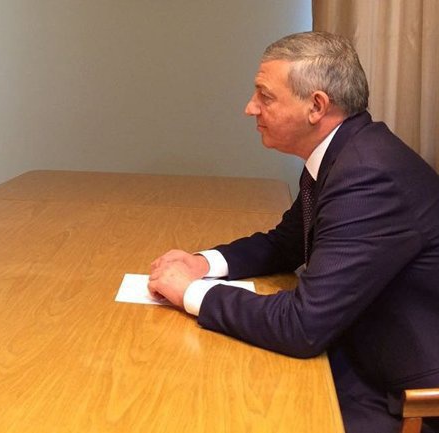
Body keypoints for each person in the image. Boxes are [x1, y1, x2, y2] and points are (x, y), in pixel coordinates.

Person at [147, 32, 439, 433]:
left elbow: (302, 326)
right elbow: (287, 243)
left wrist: (190, 293)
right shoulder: (345, 153)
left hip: (398, 393)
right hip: (354, 347)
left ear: (316, 106)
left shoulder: (368, 175)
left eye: (265, 96)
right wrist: (204, 263)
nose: (250, 108)